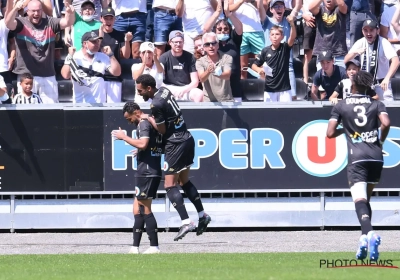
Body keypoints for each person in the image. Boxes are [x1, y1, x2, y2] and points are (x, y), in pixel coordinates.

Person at [135, 74, 212, 241]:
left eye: (140, 90)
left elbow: (162, 130)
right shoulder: (164, 90)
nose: (139, 93)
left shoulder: (156, 104)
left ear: (149, 88)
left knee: (170, 185)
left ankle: (186, 221)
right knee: (184, 181)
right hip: (187, 138)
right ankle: (202, 214)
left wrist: (147, 117)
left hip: (175, 144)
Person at [326, 71, 391, 261]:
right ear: (368, 87)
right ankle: (363, 239)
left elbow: (329, 133)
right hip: (376, 156)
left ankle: (370, 234)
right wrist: (380, 140)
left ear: (352, 85)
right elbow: (386, 123)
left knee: (359, 201)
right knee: (365, 201)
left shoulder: (341, 105)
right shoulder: (377, 103)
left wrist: (346, 130)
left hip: (357, 158)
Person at [112, 102, 162, 255]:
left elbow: (144, 143)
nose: (129, 122)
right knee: (136, 208)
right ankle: (135, 247)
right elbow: (149, 145)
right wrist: (140, 151)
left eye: (129, 118)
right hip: (147, 170)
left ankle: (154, 246)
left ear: (136, 112)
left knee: (145, 208)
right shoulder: (148, 123)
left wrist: (124, 137)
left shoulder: (143, 124)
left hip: (147, 172)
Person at [251, 14, 296, 102]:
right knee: (269, 115)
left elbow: (292, 37)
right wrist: (259, 70)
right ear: (269, 37)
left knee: (286, 114)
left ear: (282, 37)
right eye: (272, 34)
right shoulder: (265, 50)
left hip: (285, 90)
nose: (275, 36)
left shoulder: (285, 48)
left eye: (277, 34)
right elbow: (254, 65)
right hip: (269, 89)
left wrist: (292, 24)